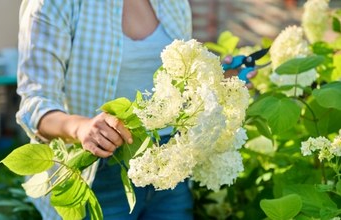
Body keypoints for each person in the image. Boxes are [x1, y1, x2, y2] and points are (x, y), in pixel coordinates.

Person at [16, 0, 256, 219]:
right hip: (98, 173)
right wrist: (81, 128)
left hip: (171, 170)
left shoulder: (173, 4)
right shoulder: (56, 4)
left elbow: (179, 88)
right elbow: (35, 102)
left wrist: (218, 81)